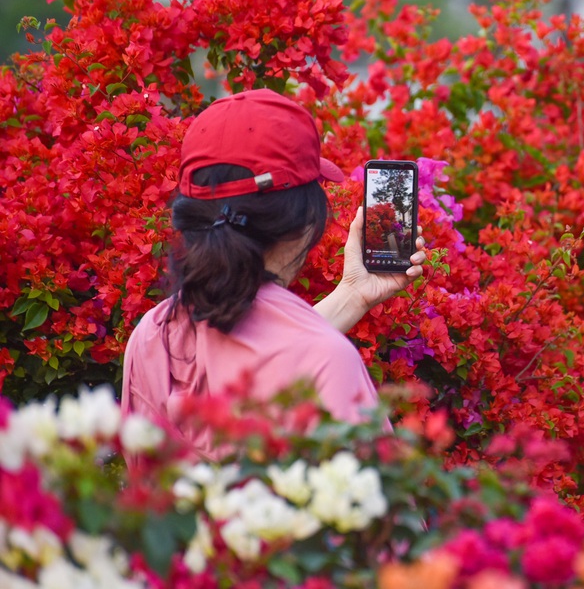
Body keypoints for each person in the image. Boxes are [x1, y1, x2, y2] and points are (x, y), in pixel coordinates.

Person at [121, 89, 425, 457]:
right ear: (303, 217)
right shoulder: (327, 360)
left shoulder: (153, 337)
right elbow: (378, 509)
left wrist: (352, 294)